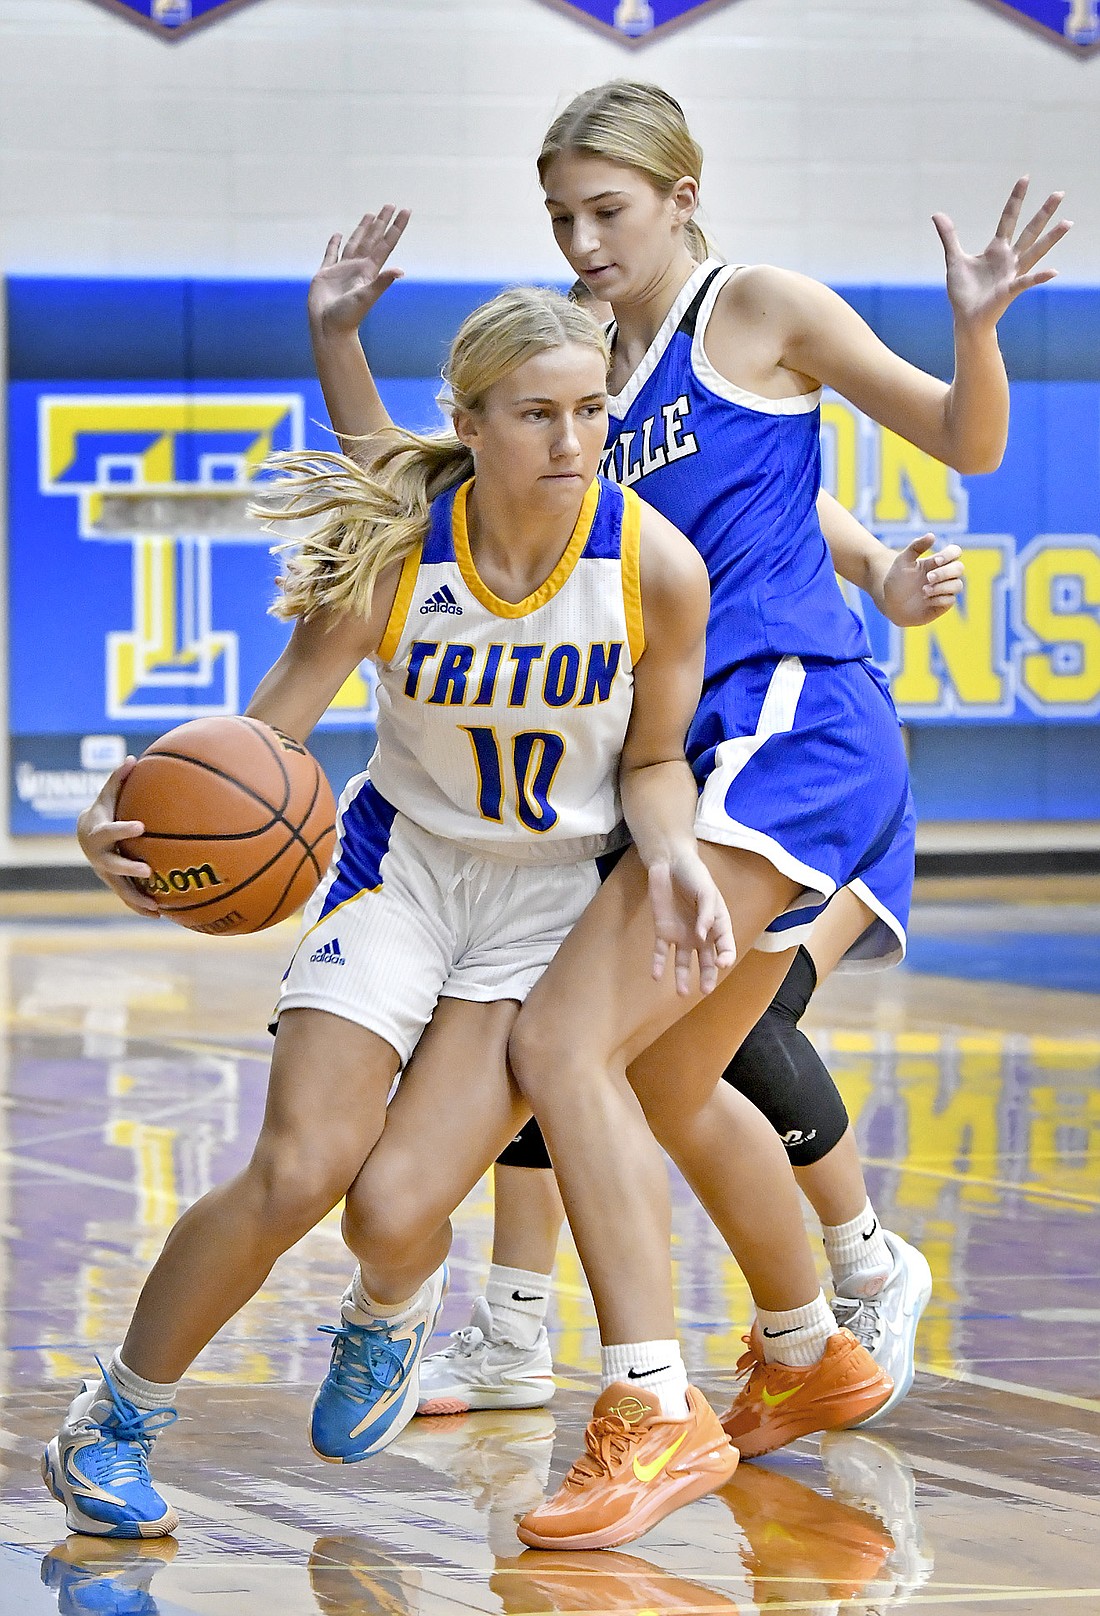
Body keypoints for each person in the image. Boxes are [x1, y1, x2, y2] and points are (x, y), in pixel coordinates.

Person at [43, 284, 742, 1540]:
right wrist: (121, 814)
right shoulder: (396, 556)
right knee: (299, 1166)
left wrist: (676, 852)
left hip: (545, 905)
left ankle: (390, 1298)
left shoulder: (656, 567)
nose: (571, 440)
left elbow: (650, 761)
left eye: (590, 409)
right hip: (401, 871)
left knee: (390, 1208)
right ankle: (116, 1417)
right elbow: (261, 737)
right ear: (468, 423)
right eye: (537, 414)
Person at [502, 80, 1066, 1546]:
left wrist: (981, 329)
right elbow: (772, 493)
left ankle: (651, 1405)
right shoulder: (608, 377)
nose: (579, 240)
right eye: (559, 215)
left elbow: (966, 439)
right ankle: (812, 1353)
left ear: (683, 194)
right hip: (700, 748)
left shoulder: (757, 307)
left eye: (605, 210)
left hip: (786, 727)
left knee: (560, 1044)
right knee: (679, 1081)